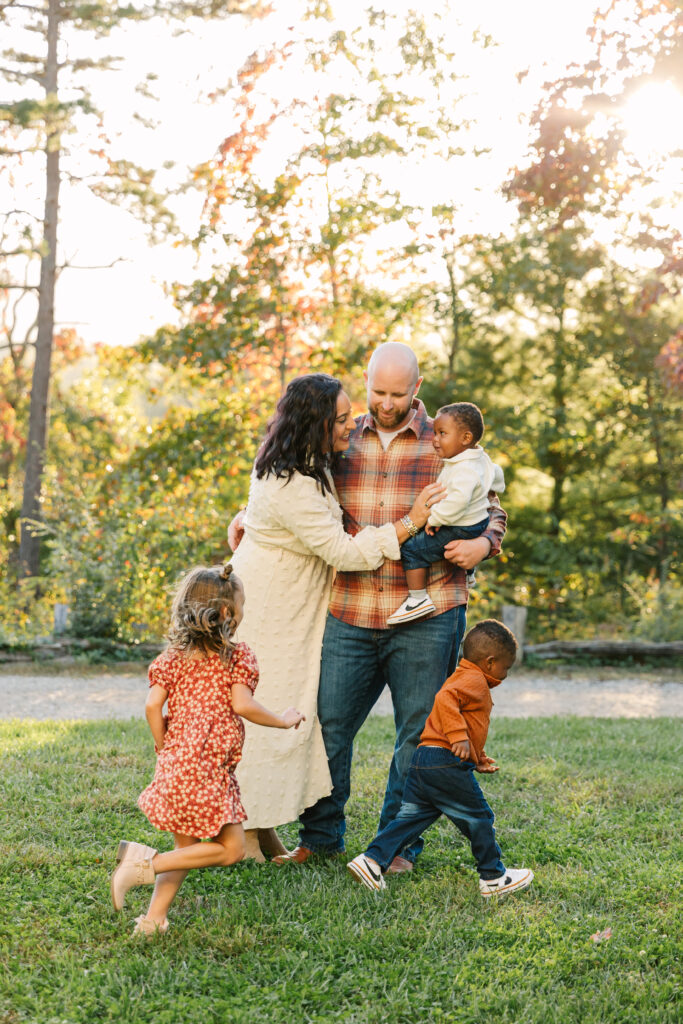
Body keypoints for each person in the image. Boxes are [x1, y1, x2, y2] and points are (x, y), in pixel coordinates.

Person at [269, 342, 507, 872]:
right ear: (367, 382)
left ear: (416, 389)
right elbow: (291, 483)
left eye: (398, 393)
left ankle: (396, 847)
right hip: (350, 609)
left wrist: (483, 544)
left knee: (417, 734)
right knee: (329, 727)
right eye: (378, 391)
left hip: (429, 613)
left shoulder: (447, 439)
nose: (386, 402)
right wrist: (248, 512)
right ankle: (320, 836)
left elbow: (493, 507)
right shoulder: (339, 435)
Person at [227, 373, 445, 861]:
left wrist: (244, 519)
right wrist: (408, 523)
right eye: (342, 419)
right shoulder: (291, 479)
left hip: (298, 600)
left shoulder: (305, 462)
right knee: (268, 712)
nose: (353, 425)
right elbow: (341, 550)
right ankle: (242, 833)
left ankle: (260, 830)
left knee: (283, 709)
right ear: (315, 424)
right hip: (272, 603)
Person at [109, 562, 305, 935]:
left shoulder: (172, 658)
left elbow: (152, 706)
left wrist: (163, 744)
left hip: (176, 765)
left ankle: (152, 921)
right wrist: (282, 719)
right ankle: (142, 864)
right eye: (242, 605)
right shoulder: (236, 657)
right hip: (209, 768)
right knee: (230, 849)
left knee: (187, 848)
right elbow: (243, 705)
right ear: (228, 612)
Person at [347, 619, 533, 899]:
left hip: (425, 759)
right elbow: (445, 699)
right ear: (490, 662)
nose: (504, 675)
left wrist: (477, 757)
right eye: (505, 668)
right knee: (479, 817)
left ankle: (372, 860)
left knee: (411, 818)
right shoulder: (474, 679)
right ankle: (493, 877)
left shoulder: (464, 674)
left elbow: (468, 721)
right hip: (445, 761)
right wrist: (457, 737)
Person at [387, 401, 505, 626]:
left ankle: (417, 599)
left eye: (442, 434)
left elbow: (456, 504)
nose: (435, 439)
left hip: (463, 525)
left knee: (412, 550)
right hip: (475, 522)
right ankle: (468, 572)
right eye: (435, 433)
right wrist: (496, 486)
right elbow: (496, 474)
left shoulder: (464, 470)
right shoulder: (478, 458)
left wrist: (432, 519)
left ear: (465, 438)